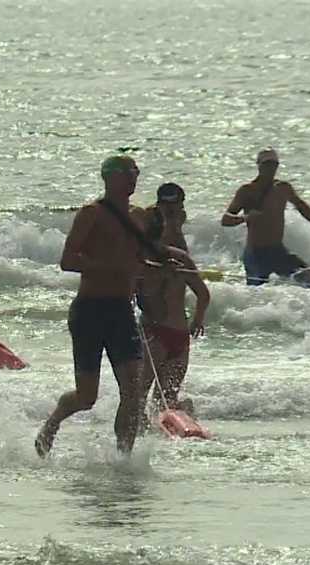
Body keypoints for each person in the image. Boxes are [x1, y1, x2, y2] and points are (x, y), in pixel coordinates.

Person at [35, 157, 193, 458]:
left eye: (137, 171)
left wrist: (166, 265)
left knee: (132, 393)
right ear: (109, 178)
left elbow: (145, 258)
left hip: (122, 311)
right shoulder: (91, 214)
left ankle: (123, 459)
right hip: (90, 311)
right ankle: (53, 423)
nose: (134, 177)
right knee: (86, 396)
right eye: (128, 172)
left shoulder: (140, 217)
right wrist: (111, 267)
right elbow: (68, 261)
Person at [137, 183, 211, 416]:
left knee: (166, 398)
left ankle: (169, 433)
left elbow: (202, 293)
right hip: (155, 330)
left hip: (178, 333)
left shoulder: (178, 236)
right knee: (140, 394)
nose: (171, 210)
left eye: (175, 204)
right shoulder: (152, 228)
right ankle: (139, 432)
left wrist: (197, 320)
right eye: (167, 205)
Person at [221, 149, 310, 287]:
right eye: (267, 164)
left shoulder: (283, 188)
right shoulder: (247, 190)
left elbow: (302, 207)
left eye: (274, 165)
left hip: (277, 250)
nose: (270, 168)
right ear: (259, 165)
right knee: (257, 292)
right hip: (255, 253)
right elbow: (226, 219)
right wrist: (245, 217)